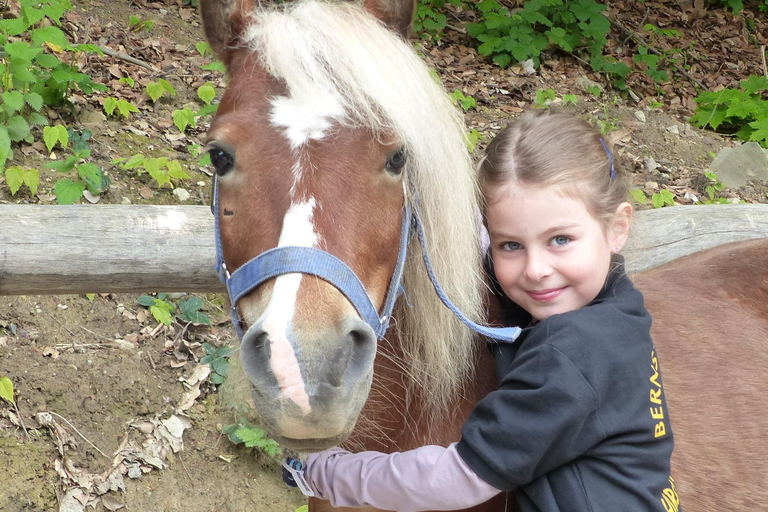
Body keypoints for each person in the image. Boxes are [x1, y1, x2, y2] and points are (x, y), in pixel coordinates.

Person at [291, 111, 679, 512]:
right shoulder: (617, 314)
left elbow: (456, 481)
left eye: (560, 239)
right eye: (510, 244)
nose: (535, 270)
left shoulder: (574, 357)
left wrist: (327, 474)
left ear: (618, 228)